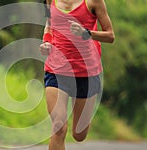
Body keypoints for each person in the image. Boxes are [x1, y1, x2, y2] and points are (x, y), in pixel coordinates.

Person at [39, 0, 115, 149]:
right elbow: (49, 23)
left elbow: (110, 35)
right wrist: (46, 42)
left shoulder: (94, 2)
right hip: (56, 69)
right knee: (58, 127)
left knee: (79, 135)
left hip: (86, 72)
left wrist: (86, 33)